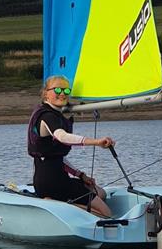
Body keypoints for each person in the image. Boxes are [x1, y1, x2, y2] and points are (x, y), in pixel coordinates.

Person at [27, 75, 116, 218]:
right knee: (106, 214)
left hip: (55, 179)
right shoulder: (47, 116)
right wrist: (96, 142)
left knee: (101, 193)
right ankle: (61, 205)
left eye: (66, 91)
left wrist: (80, 175)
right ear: (45, 93)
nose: (62, 93)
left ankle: (58, 202)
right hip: (51, 182)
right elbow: (62, 136)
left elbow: (57, 158)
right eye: (57, 89)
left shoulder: (55, 114)